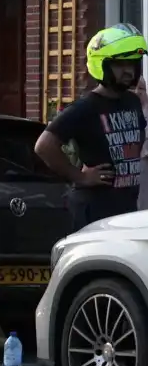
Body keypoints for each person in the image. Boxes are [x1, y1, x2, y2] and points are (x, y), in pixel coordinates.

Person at [35, 23, 148, 232]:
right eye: (120, 65)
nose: (128, 71)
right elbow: (44, 145)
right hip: (94, 212)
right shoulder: (86, 107)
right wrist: (80, 176)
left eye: (132, 64)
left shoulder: (133, 101)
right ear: (102, 66)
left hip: (127, 211)